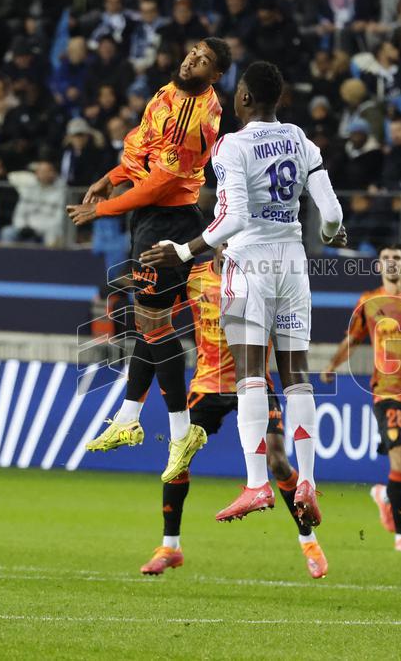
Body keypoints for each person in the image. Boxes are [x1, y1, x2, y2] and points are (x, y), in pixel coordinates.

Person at [138, 61, 345, 525]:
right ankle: (307, 479)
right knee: (296, 375)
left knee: (250, 374)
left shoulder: (231, 146)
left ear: (246, 98)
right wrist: (332, 233)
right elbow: (330, 214)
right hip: (293, 262)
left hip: (249, 264)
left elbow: (232, 220)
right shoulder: (299, 138)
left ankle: (256, 486)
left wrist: (184, 250)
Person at [66, 38, 232, 485]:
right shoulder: (166, 93)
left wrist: (100, 208)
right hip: (153, 218)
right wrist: (108, 178)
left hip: (167, 221)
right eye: (192, 52)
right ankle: (128, 417)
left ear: (214, 76)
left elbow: (156, 186)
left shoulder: (194, 120)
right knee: (149, 322)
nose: (191, 59)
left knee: (156, 328)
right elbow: (139, 153)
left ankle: (182, 432)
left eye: (203, 62)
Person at [141, 245, 328, 580]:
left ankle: (309, 542)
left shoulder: (258, 279)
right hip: (208, 385)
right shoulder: (195, 278)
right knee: (178, 457)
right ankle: (170, 547)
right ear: (215, 241)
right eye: (226, 240)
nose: (231, 248)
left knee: (278, 460)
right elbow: (162, 314)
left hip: (254, 383)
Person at [320, 244, 401, 552]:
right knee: (400, 457)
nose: (391, 263)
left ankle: (385, 494)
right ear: (379, 266)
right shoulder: (368, 301)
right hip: (388, 393)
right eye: (385, 259)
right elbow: (353, 338)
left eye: (397, 258)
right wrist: (331, 365)